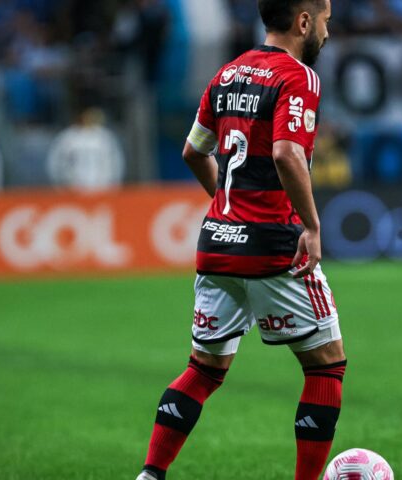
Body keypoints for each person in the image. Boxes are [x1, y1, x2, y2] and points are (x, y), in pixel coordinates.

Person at [136, 2, 344, 480]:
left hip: (218, 244)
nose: (328, 33)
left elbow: (193, 150)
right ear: (304, 21)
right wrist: (311, 227)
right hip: (274, 247)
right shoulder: (299, 76)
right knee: (326, 367)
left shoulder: (227, 74)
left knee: (203, 370)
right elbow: (288, 153)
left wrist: (227, 205)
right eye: (326, 21)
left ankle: (150, 474)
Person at [46, 107, 125, 191]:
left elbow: (115, 162)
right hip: (73, 190)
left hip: (102, 189)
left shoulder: (104, 137)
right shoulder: (67, 137)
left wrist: (113, 186)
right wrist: (60, 187)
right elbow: (55, 163)